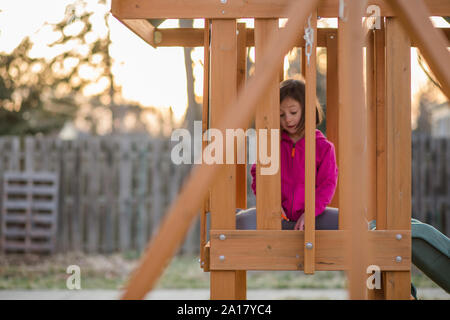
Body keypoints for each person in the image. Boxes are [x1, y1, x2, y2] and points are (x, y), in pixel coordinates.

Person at [236, 78, 339, 231]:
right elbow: (258, 175)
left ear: (307, 109)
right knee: (239, 222)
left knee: (354, 223)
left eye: (293, 112)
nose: (288, 119)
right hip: (276, 216)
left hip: (312, 217)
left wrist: (310, 214)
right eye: (281, 114)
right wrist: (271, 205)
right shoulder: (271, 143)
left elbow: (327, 185)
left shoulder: (324, 147)